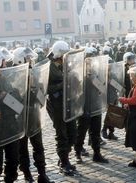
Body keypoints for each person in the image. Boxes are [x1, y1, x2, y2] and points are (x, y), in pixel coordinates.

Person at [12, 47, 54, 183]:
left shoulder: (34, 73)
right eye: (28, 58)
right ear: (20, 59)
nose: (31, 61)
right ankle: (26, 173)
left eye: (30, 58)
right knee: (22, 148)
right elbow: (8, 99)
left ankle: (42, 174)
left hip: (34, 116)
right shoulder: (11, 76)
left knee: (38, 146)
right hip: (20, 118)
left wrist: (35, 87)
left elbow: (42, 97)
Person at [0, 47, 22, 183]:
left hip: (9, 126)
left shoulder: (4, 78)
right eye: (3, 61)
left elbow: (17, 103)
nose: (6, 64)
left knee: (13, 160)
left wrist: (8, 98)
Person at [46, 41, 77, 176]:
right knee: (62, 134)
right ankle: (64, 162)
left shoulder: (65, 64)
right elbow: (45, 88)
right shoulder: (48, 67)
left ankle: (64, 157)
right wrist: (63, 84)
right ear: (59, 54)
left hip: (68, 102)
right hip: (56, 104)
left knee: (73, 133)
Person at [74, 48, 109, 164]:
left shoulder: (96, 71)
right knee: (81, 132)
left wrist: (98, 80)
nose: (90, 61)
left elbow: (102, 87)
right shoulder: (77, 72)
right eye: (88, 58)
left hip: (96, 105)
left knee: (95, 131)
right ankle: (78, 153)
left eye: (92, 58)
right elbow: (74, 91)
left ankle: (97, 154)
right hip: (84, 107)